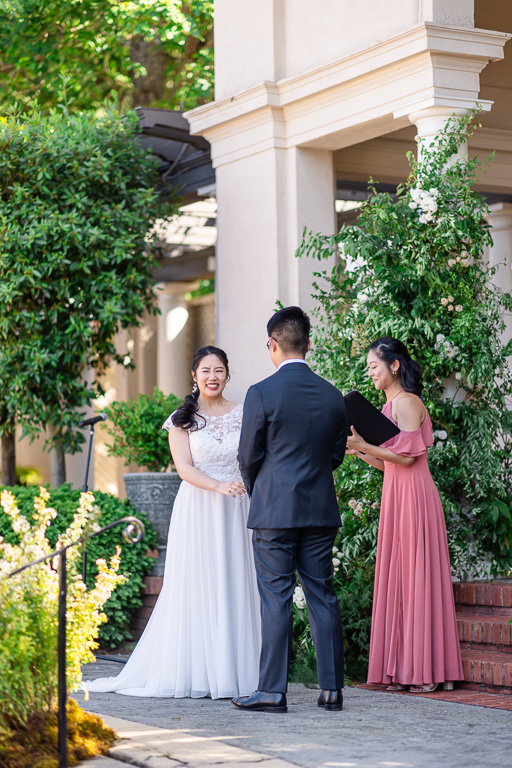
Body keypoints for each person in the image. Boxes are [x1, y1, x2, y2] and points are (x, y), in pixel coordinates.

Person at [87, 346, 261, 698]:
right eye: (205, 370)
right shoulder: (181, 419)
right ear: (194, 376)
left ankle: (239, 672)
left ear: (228, 375)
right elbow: (185, 469)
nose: (213, 377)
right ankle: (199, 673)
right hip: (199, 508)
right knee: (198, 584)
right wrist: (218, 486)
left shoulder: (245, 414)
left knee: (236, 581)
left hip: (237, 507)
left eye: (219, 370)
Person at [232, 306, 347, 714]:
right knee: (322, 595)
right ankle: (332, 690)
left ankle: (272, 692)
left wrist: (260, 488)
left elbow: (248, 455)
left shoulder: (261, 393)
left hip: (274, 510)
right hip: (319, 509)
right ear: (309, 345)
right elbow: (336, 454)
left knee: (275, 598)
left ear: (273, 344)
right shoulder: (334, 395)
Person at [346, 337, 463, 693]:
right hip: (397, 495)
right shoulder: (387, 407)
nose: (370, 373)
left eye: (374, 366)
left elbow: (410, 459)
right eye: (368, 368)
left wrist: (367, 446)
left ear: (394, 365)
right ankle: (400, 669)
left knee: (416, 579)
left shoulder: (408, 402)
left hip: (414, 497)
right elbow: (387, 463)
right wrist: (358, 450)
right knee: (399, 578)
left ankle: (425, 671)